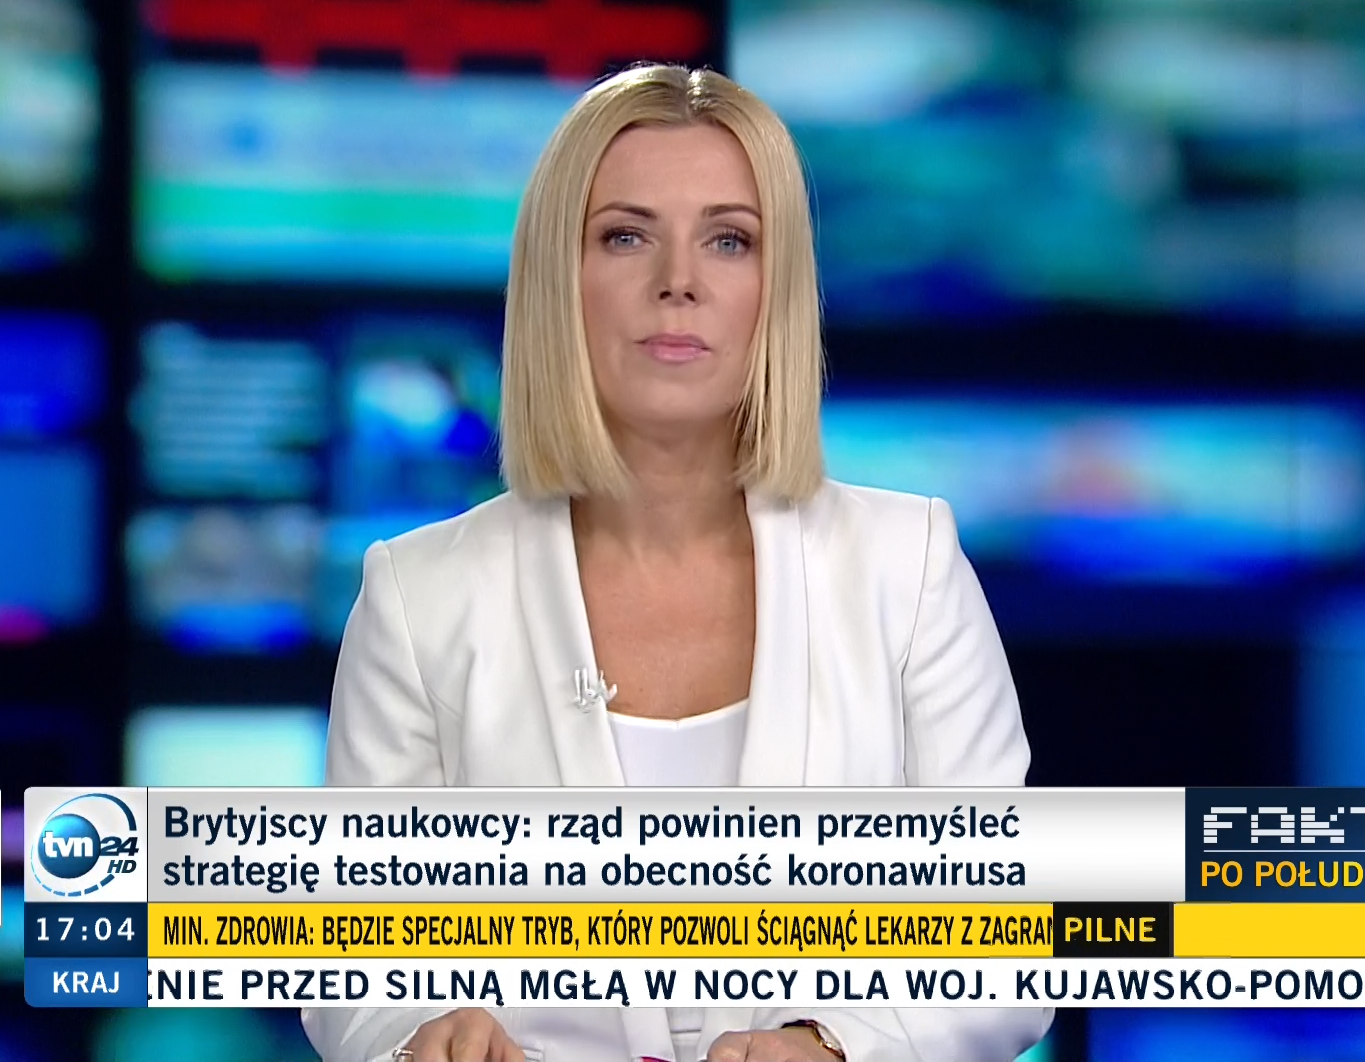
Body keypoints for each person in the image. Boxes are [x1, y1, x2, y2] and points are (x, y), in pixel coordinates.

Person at [304, 63, 1050, 1062]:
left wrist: (837, 1046)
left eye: (729, 240)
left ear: (777, 288)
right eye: (626, 236)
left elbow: (1003, 951)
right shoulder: (419, 595)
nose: (679, 281)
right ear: (558, 280)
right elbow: (355, 967)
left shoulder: (906, 567)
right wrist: (418, 1039)